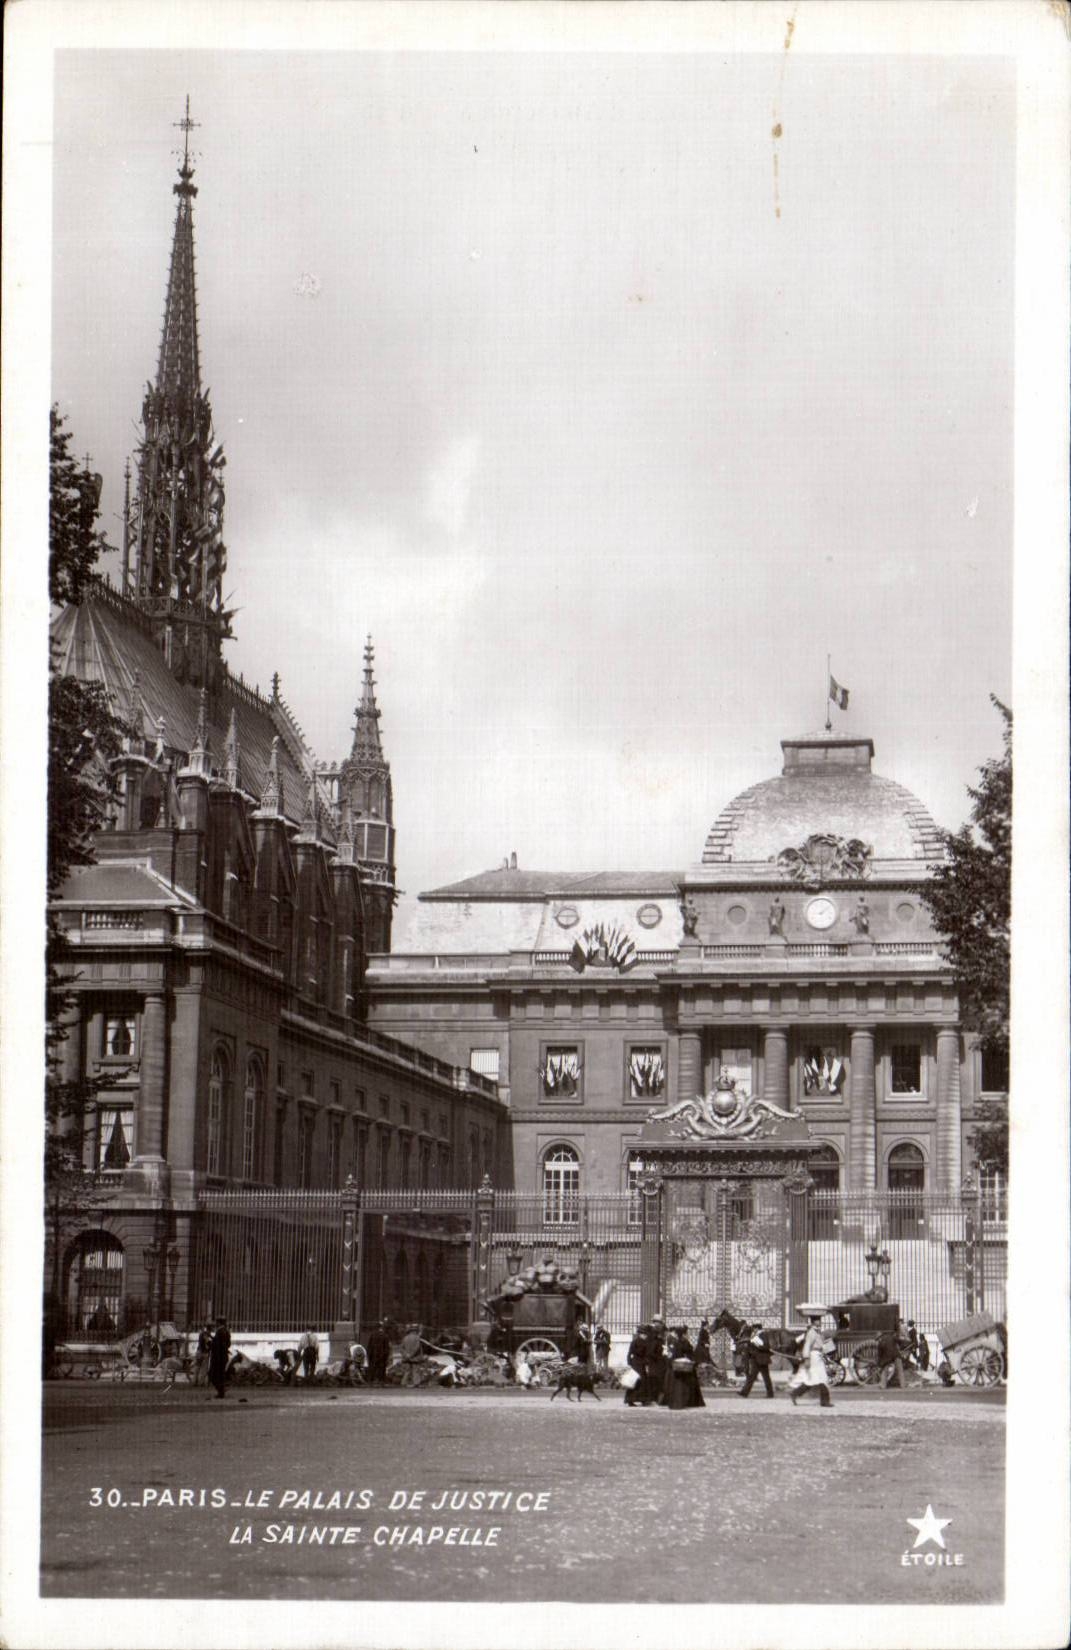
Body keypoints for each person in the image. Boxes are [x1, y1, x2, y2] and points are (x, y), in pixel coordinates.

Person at [788, 1308, 834, 1409]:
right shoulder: (812, 1332)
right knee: (820, 1379)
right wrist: (807, 1358)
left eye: (819, 1320)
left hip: (817, 1356)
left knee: (815, 1379)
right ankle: (824, 1401)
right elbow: (807, 1346)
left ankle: (795, 1393)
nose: (820, 1322)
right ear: (814, 1322)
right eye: (818, 1320)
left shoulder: (816, 1332)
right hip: (813, 1357)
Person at [663, 1326, 705, 1409]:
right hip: (684, 1366)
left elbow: (672, 1355)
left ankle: (677, 1403)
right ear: (683, 1334)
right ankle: (684, 1402)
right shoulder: (683, 1342)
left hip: (677, 1366)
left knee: (676, 1386)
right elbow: (689, 1352)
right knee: (683, 1386)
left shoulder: (676, 1342)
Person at [740, 1321, 775, 1399]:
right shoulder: (757, 1335)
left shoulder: (763, 1335)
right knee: (753, 1377)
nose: (753, 1330)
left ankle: (770, 1394)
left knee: (765, 1377)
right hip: (757, 1359)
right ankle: (744, 1392)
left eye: (754, 1329)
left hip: (762, 1359)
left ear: (757, 1328)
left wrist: (756, 1343)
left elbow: (765, 1346)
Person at [644, 1322, 668, 1406]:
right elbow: (651, 1353)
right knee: (655, 1382)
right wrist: (661, 1356)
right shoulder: (655, 1341)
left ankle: (656, 1399)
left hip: (656, 1364)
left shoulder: (655, 1340)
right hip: (656, 1364)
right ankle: (653, 1399)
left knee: (656, 1382)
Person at [624, 1325, 648, 1407]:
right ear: (641, 1334)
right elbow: (637, 1353)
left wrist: (629, 1362)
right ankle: (637, 1399)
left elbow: (629, 1353)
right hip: (639, 1364)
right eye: (644, 1334)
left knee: (637, 1381)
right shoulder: (641, 1342)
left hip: (636, 1363)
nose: (645, 1336)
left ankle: (634, 1399)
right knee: (638, 1381)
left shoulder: (635, 1341)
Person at [208, 1316, 231, 1400]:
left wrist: (210, 1343)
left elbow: (217, 1345)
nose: (215, 1324)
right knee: (220, 1375)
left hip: (218, 1357)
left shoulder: (220, 1332)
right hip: (223, 1356)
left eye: (216, 1322)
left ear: (219, 1323)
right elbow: (228, 1344)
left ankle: (221, 1391)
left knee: (212, 1375)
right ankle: (221, 1391)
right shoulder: (226, 1331)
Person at [877, 1323, 905, 1389]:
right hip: (896, 1355)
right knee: (900, 1370)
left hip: (887, 1358)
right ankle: (903, 1385)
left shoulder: (880, 1343)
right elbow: (899, 1341)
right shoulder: (890, 1337)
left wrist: (879, 1365)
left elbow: (879, 1356)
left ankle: (883, 1385)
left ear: (879, 1337)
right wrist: (901, 1346)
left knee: (884, 1371)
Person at [366, 1319, 391, 1385]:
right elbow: (386, 1347)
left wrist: (369, 1354)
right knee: (381, 1369)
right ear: (381, 1327)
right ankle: (381, 1381)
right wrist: (386, 1355)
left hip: (373, 1355)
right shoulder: (385, 1335)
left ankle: (371, 1380)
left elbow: (369, 1346)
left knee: (373, 1368)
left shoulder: (372, 1335)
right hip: (382, 1355)